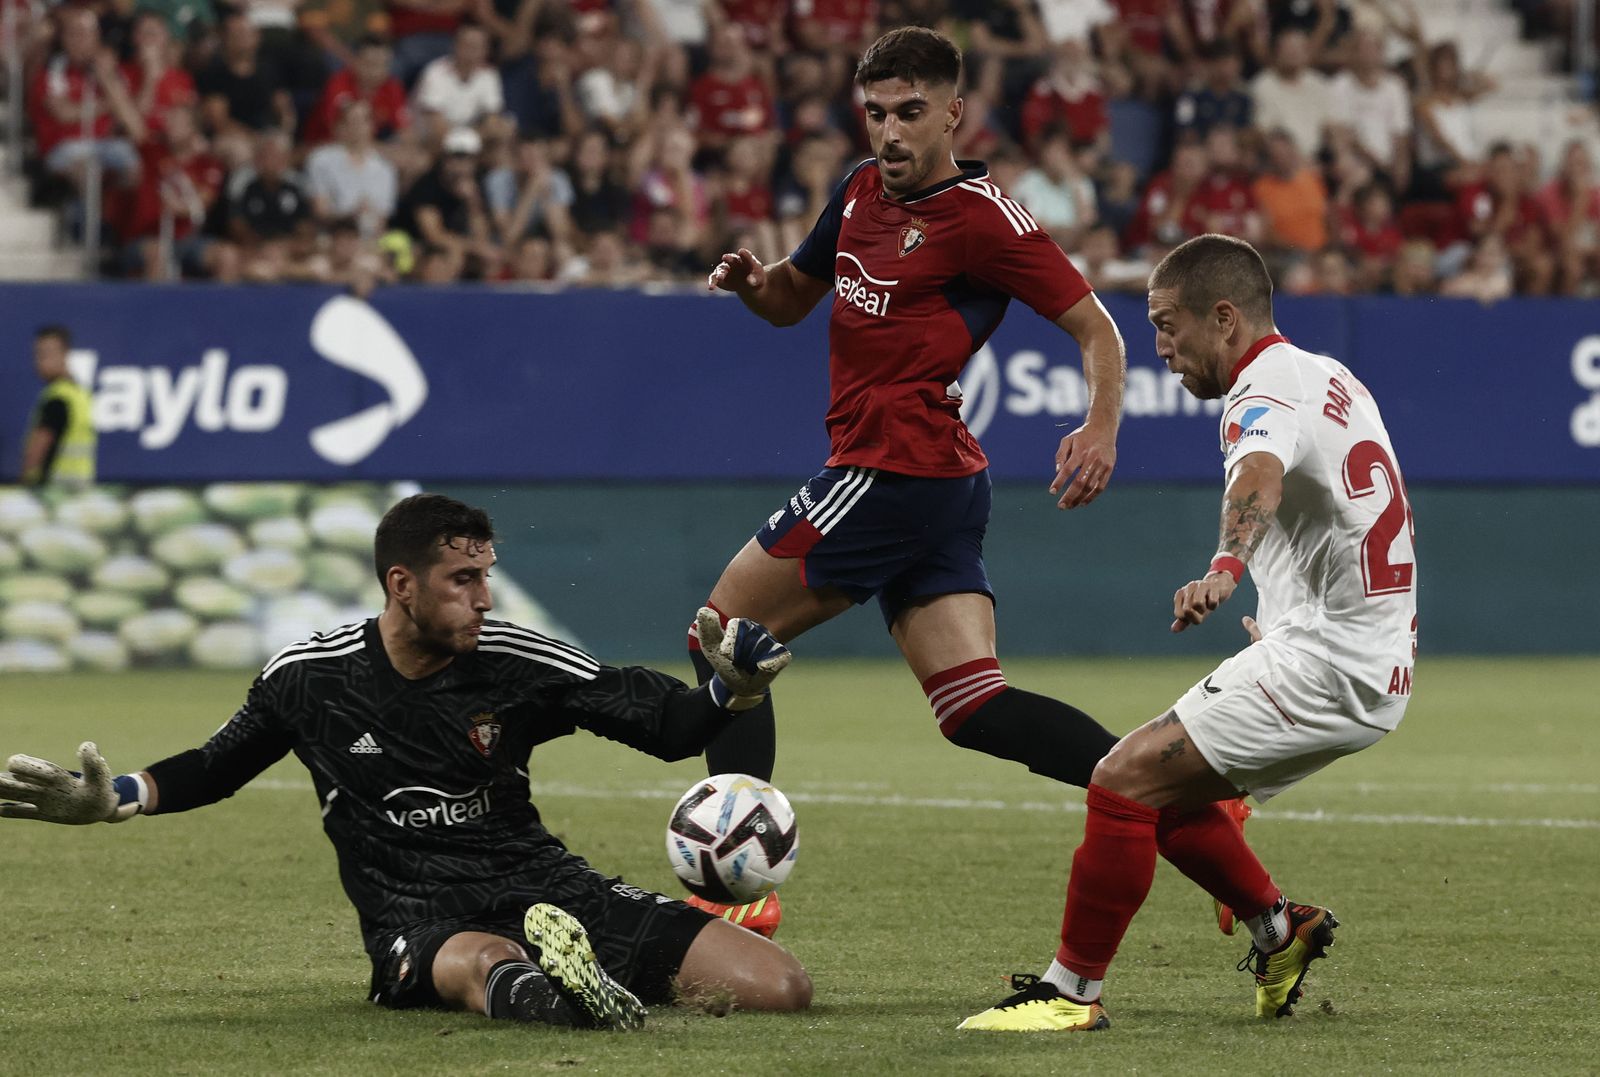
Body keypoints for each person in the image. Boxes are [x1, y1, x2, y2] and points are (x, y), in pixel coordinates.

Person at [0, 494, 810, 1030]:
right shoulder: (309, 678)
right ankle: (562, 992)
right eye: (463, 579)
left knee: (781, 990)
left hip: (547, 884)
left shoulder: (517, 659)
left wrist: (727, 694)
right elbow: (218, 763)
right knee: (481, 965)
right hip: (417, 914)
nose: (484, 598)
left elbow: (667, 725)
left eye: (486, 576)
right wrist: (117, 797)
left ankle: (576, 974)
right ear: (402, 584)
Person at [698, 26, 1128, 932]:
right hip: (931, 480)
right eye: (876, 113)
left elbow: (1097, 328)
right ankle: (1173, 790)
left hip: (891, 466)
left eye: (910, 114)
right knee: (974, 706)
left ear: (953, 114)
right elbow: (790, 299)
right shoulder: (857, 190)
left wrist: (1098, 424)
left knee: (725, 634)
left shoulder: (985, 219)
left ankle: (736, 891)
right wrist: (750, 283)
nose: (889, 133)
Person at [959, 233, 1417, 1032]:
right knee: (1158, 794)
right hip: (1365, 657)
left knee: (1120, 776)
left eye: (1170, 324)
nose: (1160, 347)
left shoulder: (1260, 389)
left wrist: (1225, 567)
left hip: (1328, 663)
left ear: (1226, 318)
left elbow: (1260, 479)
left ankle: (1071, 993)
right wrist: (1278, 612)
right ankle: (1281, 929)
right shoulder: (1330, 376)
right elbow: (1341, 517)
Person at [20, 324, 96, 487]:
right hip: (80, 491)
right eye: (37, 355)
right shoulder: (80, 394)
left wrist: (25, 485)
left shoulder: (57, 398)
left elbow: (37, 451)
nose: (39, 362)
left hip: (55, 493)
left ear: (65, 354)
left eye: (46, 354)